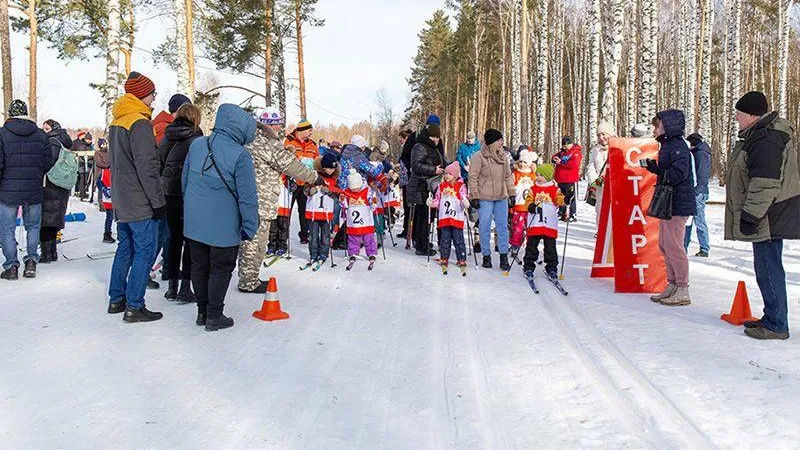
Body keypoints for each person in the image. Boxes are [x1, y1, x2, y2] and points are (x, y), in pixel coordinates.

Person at [726, 91, 799, 340]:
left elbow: (765, 183)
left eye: (738, 114)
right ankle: (772, 316)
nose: (736, 118)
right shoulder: (760, 134)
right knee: (765, 268)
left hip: (768, 215)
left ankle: (778, 324)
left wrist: (750, 214)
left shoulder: (766, 139)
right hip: (768, 214)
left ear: (750, 114)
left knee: (769, 268)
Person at [183, 104, 258, 331]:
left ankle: (202, 312)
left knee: (199, 266)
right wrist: (250, 225)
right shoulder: (240, 155)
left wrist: (190, 208)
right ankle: (215, 315)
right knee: (221, 268)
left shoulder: (197, 144)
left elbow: (185, 180)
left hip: (195, 222)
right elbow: (248, 196)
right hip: (224, 227)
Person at [237, 108, 320, 294]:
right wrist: (315, 177)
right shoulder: (269, 143)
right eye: (278, 124)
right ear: (271, 124)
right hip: (261, 199)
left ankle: (249, 277)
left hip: (248, 197)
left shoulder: (250, 139)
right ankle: (248, 282)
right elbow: (292, 167)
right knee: (255, 241)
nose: (280, 127)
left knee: (251, 240)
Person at [106, 72, 166, 322]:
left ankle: (116, 298)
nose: (154, 99)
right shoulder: (140, 123)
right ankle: (135, 305)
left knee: (126, 248)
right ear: (142, 94)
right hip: (140, 198)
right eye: (152, 94)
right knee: (145, 249)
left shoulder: (118, 122)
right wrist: (158, 201)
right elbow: (147, 167)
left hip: (122, 196)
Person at [645, 109, 696, 307]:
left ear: (667, 126)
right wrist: (657, 169)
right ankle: (672, 284)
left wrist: (659, 171)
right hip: (669, 202)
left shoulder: (677, 146)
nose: (654, 129)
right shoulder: (668, 146)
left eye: (656, 126)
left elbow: (679, 174)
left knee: (675, 246)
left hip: (678, 203)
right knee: (665, 245)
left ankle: (682, 287)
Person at [0, 100, 53, 279]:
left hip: (8, 189)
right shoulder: (40, 135)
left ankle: (11, 266)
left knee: (7, 228)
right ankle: (31, 261)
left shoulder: (2, 134)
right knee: (33, 226)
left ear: (10, 114)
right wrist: (37, 174)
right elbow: (47, 160)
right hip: (34, 188)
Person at [158, 103, 204, 302]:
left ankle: (171, 286)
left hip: (169, 193)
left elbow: (159, 163)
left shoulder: (167, 136)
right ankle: (186, 287)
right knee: (190, 240)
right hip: (190, 194)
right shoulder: (197, 138)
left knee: (174, 239)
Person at [467, 128, 515, 271]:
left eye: (501, 140)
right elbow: (473, 177)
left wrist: (511, 193)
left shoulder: (503, 157)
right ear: (492, 142)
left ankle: (503, 255)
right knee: (484, 227)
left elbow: (507, 176)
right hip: (485, 198)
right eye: (499, 140)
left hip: (501, 197)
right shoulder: (478, 156)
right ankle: (486, 255)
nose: (501, 143)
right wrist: (474, 196)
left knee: (502, 227)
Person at [40, 119, 76, 264]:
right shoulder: (62, 141)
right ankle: (53, 252)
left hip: (50, 185)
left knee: (45, 220)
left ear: (53, 129)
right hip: (61, 186)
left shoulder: (52, 142)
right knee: (54, 220)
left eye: (46, 128)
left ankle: (46, 254)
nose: (44, 131)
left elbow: (49, 163)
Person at [522, 163, 565, 280]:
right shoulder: (533, 189)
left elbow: (559, 198)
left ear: (548, 176)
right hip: (535, 223)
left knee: (550, 247)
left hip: (549, 223)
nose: (538, 177)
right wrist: (531, 206)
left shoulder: (555, 189)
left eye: (541, 175)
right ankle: (528, 267)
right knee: (531, 246)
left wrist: (562, 203)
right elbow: (528, 201)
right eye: (537, 175)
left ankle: (551, 268)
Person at [408, 123, 446, 256]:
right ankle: (422, 246)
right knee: (424, 216)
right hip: (421, 186)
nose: (436, 140)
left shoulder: (432, 147)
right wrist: (434, 170)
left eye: (437, 137)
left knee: (426, 216)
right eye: (434, 137)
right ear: (428, 136)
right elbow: (416, 166)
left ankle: (422, 241)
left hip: (428, 185)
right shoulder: (419, 146)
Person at [427, 161, 470, 273]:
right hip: (444, 217)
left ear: (455, 175)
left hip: (456, 218)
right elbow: (438, 200)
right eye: (446, 173)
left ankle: (461, 258)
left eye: (449, 174)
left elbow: (463, 198)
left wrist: (465, 202)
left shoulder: (461, 186)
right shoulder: (441, 186)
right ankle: (444, 257)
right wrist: (432, 203)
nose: (447, 176)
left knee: (458, 239)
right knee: (445, 239)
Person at [303, 153, 341, 266]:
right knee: (313, 235)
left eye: (333, 168)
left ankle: (324, 253)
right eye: (329, 168)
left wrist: (330, 191)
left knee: (325, 235)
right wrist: (310, 191)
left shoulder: (334, 179)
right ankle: (313, 254)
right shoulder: (314, 176)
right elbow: (306, 189)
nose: (331, 170)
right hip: (313, 212)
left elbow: (337, 193)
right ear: (323, 166)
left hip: (326, 212)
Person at [284, 119, 319, 245]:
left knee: (304, 211)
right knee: (286, 211)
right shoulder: (289, 141)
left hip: (306, 183)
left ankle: (305, 234)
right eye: (309, 130)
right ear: (302, 130)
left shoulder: (312, 145)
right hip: (291, 182)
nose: (311, 133)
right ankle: (283, 238)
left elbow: (317, 162)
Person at [342, 172, 378, 265]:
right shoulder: (347, 191)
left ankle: (372, 252)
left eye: (356, 188)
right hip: (353, 222)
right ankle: (353, 253)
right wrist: (342, 200)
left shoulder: (367, 190)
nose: (355, 190)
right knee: (353, 239)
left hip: (366, 220)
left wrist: (373, 202)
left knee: (369, 238)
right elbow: (344, 205)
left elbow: (372, 204)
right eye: (352, 188)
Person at [684, 133, 711, 257]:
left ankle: (704, 248)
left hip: (698, 192)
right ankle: (690, 246)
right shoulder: (700, 152)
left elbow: (702, 177)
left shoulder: (700, 154)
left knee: (697, 220)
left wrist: (695, 191)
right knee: (692, 220)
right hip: (699, 191)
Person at [510, 149, 538, 257]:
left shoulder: (533, 175)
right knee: (518, 228)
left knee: (530, 228)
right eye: (521, 162)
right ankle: (515, 246)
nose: (522, 164)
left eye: (525, 162)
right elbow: (511, 187)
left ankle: (530, 247)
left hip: (530, 207)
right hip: (519, 206)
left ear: (529, 163)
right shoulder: (515, 174)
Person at [586, 123, 615, 227]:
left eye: (604, 134)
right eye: (599, 135)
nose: (601, 138)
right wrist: (593, 180)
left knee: (614, 210)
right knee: (600, 209)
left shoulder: (617, 148)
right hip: (600, 185)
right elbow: (591, 165)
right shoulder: (595, 150)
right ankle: (601, 231)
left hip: (614, 186)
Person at [552, 136, 583, 222]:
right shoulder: (562, 152)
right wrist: (554, 159)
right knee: (561, 196)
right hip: (560, 178)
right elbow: (554, 156)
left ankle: (572, 213)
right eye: (563, 145)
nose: (565, 147)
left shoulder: (576, 152)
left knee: (570, 197)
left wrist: (560, 162)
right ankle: (561, 212)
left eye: (567, 145)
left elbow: (573, 164)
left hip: (570, 179)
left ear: (571, 144)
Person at [93, 138, 115, 243]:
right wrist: (108, 165)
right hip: (102, 176)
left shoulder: (110, 153)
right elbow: (100, 163)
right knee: (109, 213)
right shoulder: (98, 153)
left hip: (111, 179)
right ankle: (107, 233)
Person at [71, 131, 94, 199]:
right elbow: (82, 154)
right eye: (88, 139)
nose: (89, 141)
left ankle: (85, 192)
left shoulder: (91, 146)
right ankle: (81, 193)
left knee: (88, 180)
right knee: (82, 179)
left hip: (89, 165)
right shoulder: (81, 145)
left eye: (90, 139)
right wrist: (91, 155)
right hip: (82, 164)